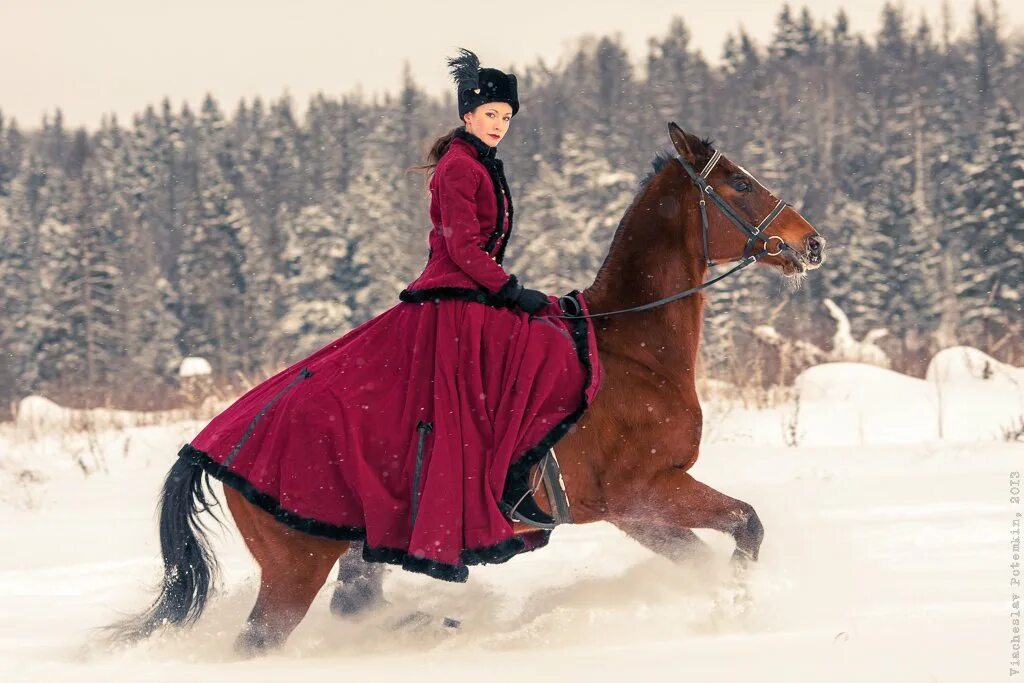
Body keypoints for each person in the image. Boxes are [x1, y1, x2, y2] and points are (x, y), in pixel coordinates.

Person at [178, 47, 599, 581]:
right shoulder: (457, 167)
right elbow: (464, 250)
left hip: (474, 297)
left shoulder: (479, 163)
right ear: (467, 115)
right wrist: (513, 291)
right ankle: (506, 489)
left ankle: (518, 479)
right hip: (455, 301)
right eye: (490, 114)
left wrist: (508, 293)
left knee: (538, 349)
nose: (499, 125)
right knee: (522, 366)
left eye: (507, 117)